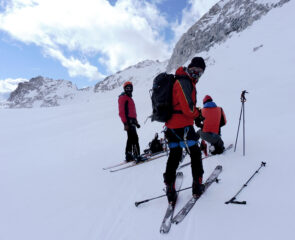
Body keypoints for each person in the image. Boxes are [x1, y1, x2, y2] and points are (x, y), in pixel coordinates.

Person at [163, 57, 206, 206]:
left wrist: (195, 114)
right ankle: (197, 184)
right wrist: (198, 115)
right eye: (196, 70)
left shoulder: (183, 80)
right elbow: (188, 109)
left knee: (174, 156)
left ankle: (170, 189)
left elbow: (184, 106)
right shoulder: (184, 81)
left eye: (200, 72)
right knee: (195, 153)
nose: (197, 74)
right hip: (183, 127)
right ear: (190, 67)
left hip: (172, 127)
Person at [118, 81, 141, 162]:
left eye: (130, 88)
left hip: (132, 122)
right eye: (127, 88)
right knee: (134, 138)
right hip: (128, 122)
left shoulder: (129, 98)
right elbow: (121, 112)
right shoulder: (123, 98)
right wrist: (125, 123)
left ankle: (129, 155)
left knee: (131, 138)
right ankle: (137, 155)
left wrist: (136, 122)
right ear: (124, 89)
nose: (129, 89)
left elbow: (132, 112)